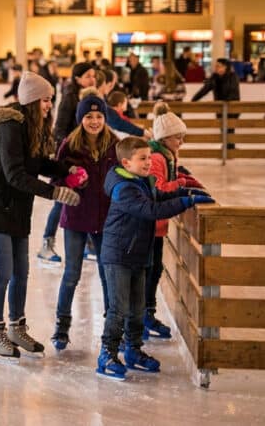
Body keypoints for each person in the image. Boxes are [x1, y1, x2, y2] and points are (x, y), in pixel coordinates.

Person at [0, 72, 80, 360]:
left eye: (50, 99)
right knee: (3, 271)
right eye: (45, 99)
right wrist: (54, 193)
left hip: (17, 209)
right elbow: (15, 174)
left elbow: (36, 162)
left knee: (22, 272)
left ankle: (17, 326)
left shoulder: (33, 125)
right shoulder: (9, 126)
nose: (49, 105)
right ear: (32, 100)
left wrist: (62, 170)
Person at [96, 137, 212, 380]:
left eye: (149, 157)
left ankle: (133, 350)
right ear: (126, 163)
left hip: (138, 253)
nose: (149, 162)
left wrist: (186, 191)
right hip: (118, 254)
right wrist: (185, 201)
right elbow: (150, 210)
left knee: (137, 309)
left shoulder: (141, 180)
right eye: (143, 159)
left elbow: (157, 196)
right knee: (118, 308)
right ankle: (107, 354)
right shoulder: (123, 187)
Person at [50, 95, 117, 351]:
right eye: (89, 116)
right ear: (81, 119)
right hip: (77, 218)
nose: (94, 121)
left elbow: (124, 173)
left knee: (106, 273)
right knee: (71, 274)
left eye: (99, 116)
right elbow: (55, 179)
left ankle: (112, 327)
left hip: (105, 219)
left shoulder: (113, 143)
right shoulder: (70, 144)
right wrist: (71, 180)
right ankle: (62, 326)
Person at [145, 102, 207, 340]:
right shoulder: (158, 158)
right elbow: (158, 189)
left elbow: (171, 178)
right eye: (177, 138)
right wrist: (182, 185)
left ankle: (147, 312)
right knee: (149, 271)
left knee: (154, 269)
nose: (180, 142)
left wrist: (185, 178)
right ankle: (144, 314)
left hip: (158, 225)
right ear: (165, 138)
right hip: (151, 224)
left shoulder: (168, 155)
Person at [39, 62, 97, 262]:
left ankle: (88, 245)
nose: (92, 79)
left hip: (82, 158)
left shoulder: (87, 97)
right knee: (61, 202)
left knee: (84, 199)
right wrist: (62, 158)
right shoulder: (70, 98)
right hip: (69, 158)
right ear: (78, 78)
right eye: (88, 76)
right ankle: (47, 243)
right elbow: (60, 129)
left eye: (94, 75)